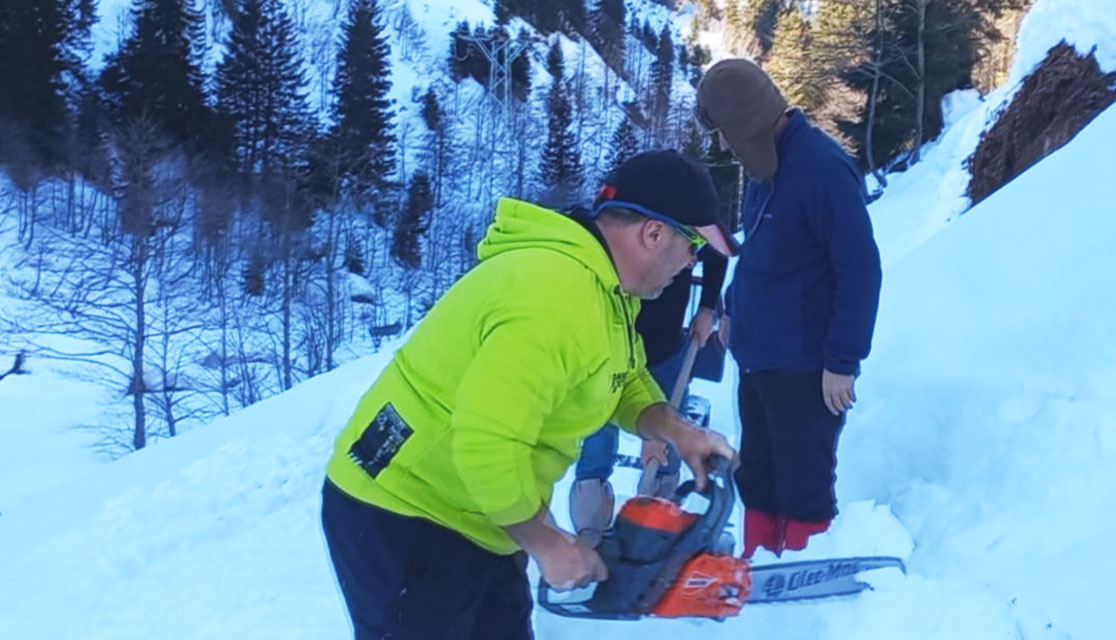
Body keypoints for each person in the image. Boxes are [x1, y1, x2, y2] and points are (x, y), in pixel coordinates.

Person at [320, 149, 738, 640]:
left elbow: (620, 377)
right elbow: (485, 443)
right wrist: (546, 542)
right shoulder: (553, 296)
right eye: (693, 248)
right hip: (407, 508)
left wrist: (675, 430)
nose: (691, 264)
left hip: (484, 510)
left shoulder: (603, 286)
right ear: (653, 234)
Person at [695, 59, 882, 558]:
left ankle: (806, 572)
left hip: (806, 364)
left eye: (725, 134)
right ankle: (762, 566)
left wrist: (842, 361)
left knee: (802, 479)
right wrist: (733, 307)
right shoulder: (767, 169)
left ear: (745, 123)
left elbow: (861, 271)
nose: (722, 147)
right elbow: (759, 253)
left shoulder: (823, 170)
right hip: (759, 357)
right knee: (756, 473)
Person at [568, 208, 729, 543]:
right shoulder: (625, 221)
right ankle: (590, 531)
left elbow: (717, 253)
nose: (689, 262)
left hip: (667, 347)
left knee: (668, 444)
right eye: (688, 253)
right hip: (613, 344)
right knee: (598, 433)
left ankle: (655, 523)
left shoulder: (690, 214)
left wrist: (707, 307)